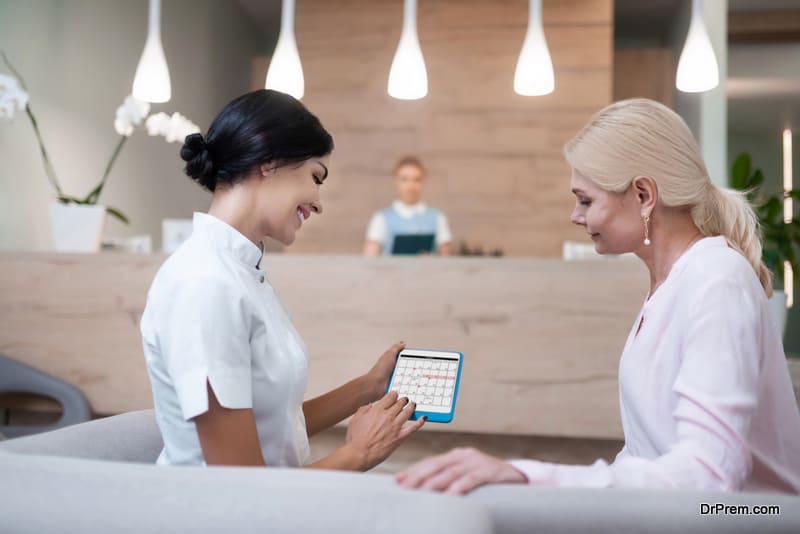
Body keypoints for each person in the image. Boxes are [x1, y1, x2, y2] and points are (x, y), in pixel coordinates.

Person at [396, 98, 800, 494]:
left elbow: (707, 480)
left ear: (643, 195)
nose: (575, 216)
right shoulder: (671, 284)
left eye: (586, 200)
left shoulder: (716, 280)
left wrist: (530, 476)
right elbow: (647, 456)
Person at [140, 89, 425, 469]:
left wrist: (367, 387)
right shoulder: (205, 283)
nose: (319, 202)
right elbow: (242, 486)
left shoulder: (239, 272)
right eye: (316, 177)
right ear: (268, 163)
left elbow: (274, 426)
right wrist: (360, 452)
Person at [363, 157, 453, 256]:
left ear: (423, 182)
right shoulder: (381, 218)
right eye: (404, 179)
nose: (411, 186)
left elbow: (446, 259)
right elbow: (369, 259)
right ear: (396, 181)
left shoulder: (438, 217)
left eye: (416, 180)